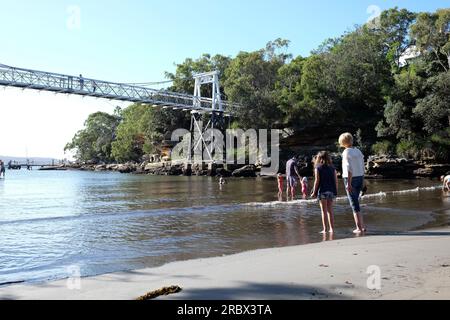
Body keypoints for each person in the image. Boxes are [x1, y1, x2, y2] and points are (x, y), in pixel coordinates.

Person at [339, 133, 366, 234]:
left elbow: (348, 168)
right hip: (360, 177)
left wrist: (348, 183)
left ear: (342, 142)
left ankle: (359, 228)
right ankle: (362, 226)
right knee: (357, 202)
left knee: (354, 204)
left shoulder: (346, 152)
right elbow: (363, 166)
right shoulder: (358, 151)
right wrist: (363, 179)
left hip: (350, 178)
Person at [311, 151, 338, 234]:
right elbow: (335, 181)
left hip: (322, 191)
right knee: (330, 210)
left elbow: (317, 181)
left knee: (324, 211)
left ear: (318, 158)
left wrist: (314, 192)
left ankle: (325, 229)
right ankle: (332, 229)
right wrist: (335, 191)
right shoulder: (333, 168)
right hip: (331, 191)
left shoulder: (318, 168)